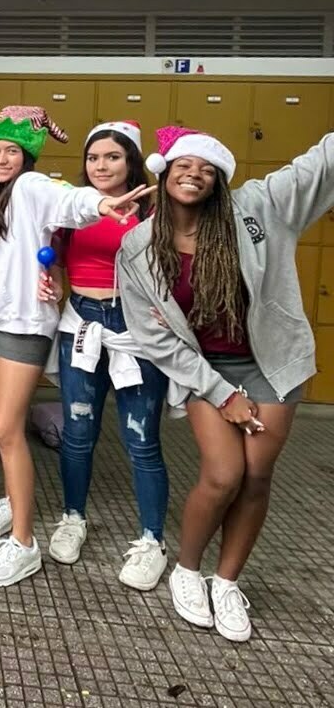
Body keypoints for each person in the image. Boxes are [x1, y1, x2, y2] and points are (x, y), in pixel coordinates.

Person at [117, 126, 334, 641]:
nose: (194, 174)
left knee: (256, 476)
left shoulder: (258, 209)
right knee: (223, 476)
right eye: (184, 165)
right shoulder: (138, 246)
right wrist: (222, 394)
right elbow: (155, 338)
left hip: (271, 362)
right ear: (165, 173)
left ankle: (227, 581)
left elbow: (320, 163)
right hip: (204, 369)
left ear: (219, 181)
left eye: (207, 169)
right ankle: (188, 569)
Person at [0, 106, 153, 587]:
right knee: (4, 429)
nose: (2, 159)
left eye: (12, 151)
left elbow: (67, 199)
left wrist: (100, 205)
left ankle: (24, 544)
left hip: (23, 327)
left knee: (7, 429)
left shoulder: (30, 187)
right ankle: (13, 500)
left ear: (27, 158)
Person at [39, 121, 170, 591]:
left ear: (131, 161)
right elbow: (54, 256)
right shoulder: (75, 207)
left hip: (136, 332)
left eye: (112, 157)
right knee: (78, 434)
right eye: (93, 158)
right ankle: (73, 517)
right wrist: (50, 279)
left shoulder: (154, 209)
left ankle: (152, 541)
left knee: (142, 440)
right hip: (82, 325)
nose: (101, 165)